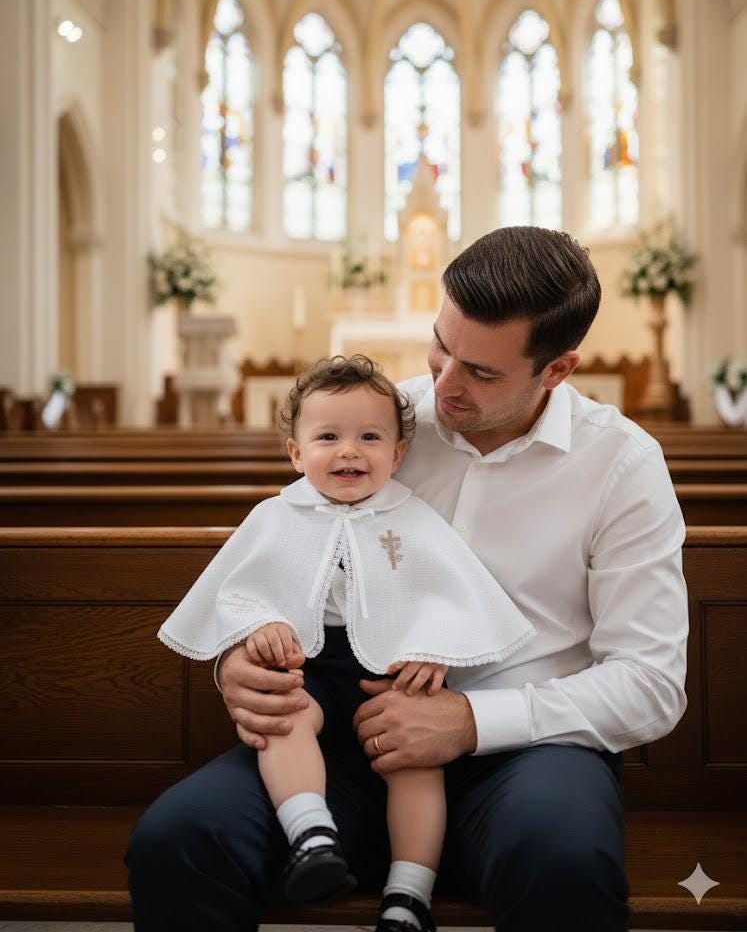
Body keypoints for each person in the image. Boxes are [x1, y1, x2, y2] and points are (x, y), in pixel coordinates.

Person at [126, 226, 689, 932]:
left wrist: (468, 721)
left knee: (564, 860)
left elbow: (650, 684)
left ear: (557, 369)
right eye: (440, 347)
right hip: (351, 732)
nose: (443, 386)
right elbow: (287, 566)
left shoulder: (621, 466)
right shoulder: (373, 423)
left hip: (529, 751)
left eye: (481, 372)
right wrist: (241, 663)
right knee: (178, 841)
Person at [154, 354, 536, 932]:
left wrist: (433, 650)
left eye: (370, 437)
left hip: (391, 679)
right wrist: (260, 625)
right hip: (308, 669)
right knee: (285, 721)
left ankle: (408, 896)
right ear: (295, 451)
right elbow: (238, 591)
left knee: (414, 763)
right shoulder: (275, 516)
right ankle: (312, 834)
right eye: (328, 436)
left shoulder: (413, 517)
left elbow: (454, 593)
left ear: (398, 454)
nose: (349, 450)